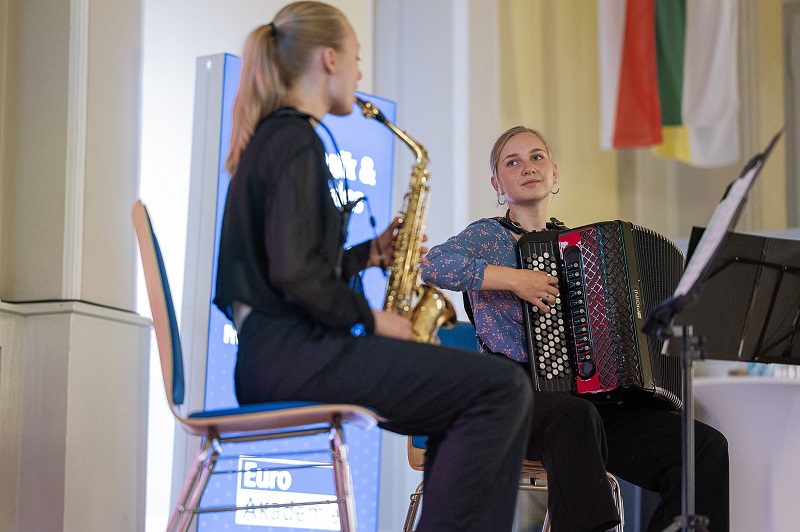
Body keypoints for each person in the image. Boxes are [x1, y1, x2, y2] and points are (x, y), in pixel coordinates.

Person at [212, 3, 534, 530]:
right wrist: (368, 318)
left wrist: (369, 254)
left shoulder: (275, 138)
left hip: (272, 357)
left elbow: (289, 263)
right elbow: (295, 275)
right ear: (331, 60)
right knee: (501, 388)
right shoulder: (295, 141)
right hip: (290, 356)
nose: (360, 74)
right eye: (357, 59)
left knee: (481, 396)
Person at [421, 125, 730, 532]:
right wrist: (516, 279)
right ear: (497, 184)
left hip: (588, 407)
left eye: (537, 157)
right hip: (517, 401)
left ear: (554, 173)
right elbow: (433, 265)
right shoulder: (488, 236)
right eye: (512, 162)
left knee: (704, 447)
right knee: (574, 414)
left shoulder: (579, 246)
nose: (528, 167)